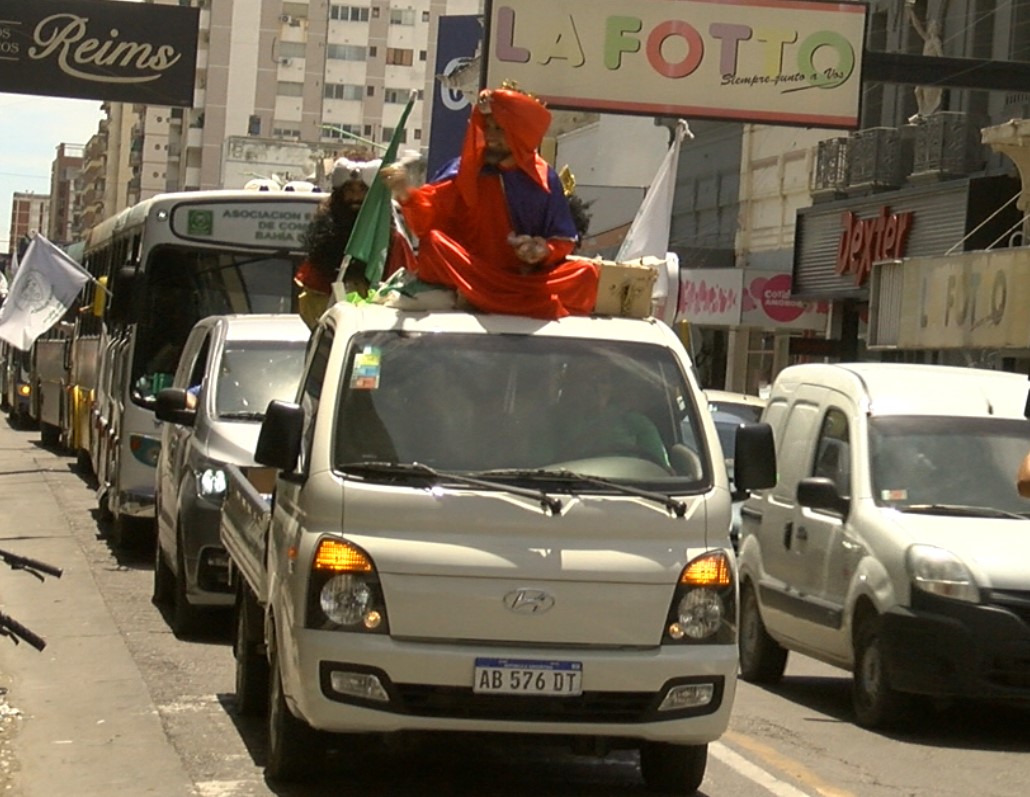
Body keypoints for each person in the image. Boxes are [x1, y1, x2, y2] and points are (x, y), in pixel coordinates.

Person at [380, 83, 600, 319]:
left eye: (500, 128)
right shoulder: (463, 171)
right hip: (471, 270)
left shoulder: (545, 178)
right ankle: (509, 301)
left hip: (524, 278)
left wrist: (542, 250)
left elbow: (562, 239)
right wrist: (405, 193)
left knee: (586, 273)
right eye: (488, 127)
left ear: (520, 132)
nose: (491, 136)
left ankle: (482, 298)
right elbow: (427, 220)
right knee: (434, 244)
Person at [295, 150, 411, 327]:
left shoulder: (393, 243)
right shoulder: (325, 241)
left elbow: (407, 295)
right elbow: (310, 300)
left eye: (363, 190)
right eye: (349, 189)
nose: (355, 197)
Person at [556, 360, 670, 469]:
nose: (596, 387)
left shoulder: (635, 423)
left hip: (630, 487)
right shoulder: (554, 421)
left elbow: (660, 470)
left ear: (612, 388)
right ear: (572, 384)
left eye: (602, 380)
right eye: (588, 380)